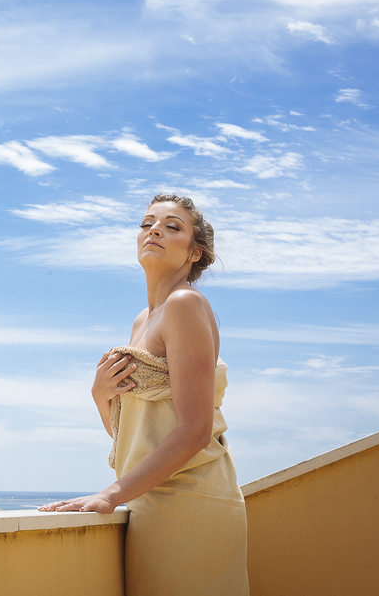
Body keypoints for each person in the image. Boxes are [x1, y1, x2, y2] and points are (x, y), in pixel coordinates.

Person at [39, 193, 248, 596]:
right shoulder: (142, 320)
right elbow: (132, 436)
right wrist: (100, 395)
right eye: (147, 223)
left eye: (173, 226)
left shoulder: (185, 304)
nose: (154, 229)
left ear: (194, 253)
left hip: (190, 502)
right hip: (146, 502)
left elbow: (195, 429)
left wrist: (109, 495)